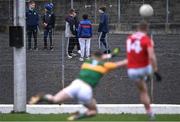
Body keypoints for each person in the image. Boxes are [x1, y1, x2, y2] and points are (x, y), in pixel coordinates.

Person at [29, 50, 122, 121]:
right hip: (86, 89)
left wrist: (109, 55)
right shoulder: (104, 65)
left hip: (76, 84)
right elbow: (119, 63)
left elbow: (98, 58)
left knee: (54, 100)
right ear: (102, 57)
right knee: (93, 111)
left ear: (93, 56)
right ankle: (77, 116)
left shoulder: (87, 62)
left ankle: (42, 96)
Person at [117, 21, 162, 120]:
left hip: (132, 71)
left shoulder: (129, 38)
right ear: (146, 29)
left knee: (143, 91)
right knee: (149, 65)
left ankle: (150, 113)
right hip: (144, 68)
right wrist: (156, 70)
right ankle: (148, 75)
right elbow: (151, 57)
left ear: (138, 28)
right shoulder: (146, 39)